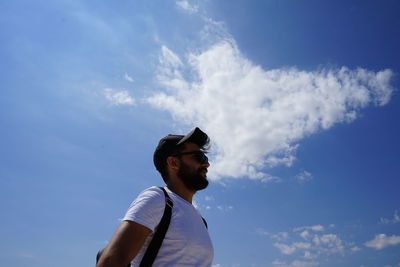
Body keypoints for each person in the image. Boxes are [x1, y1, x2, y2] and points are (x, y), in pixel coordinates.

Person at [96, 127, 214, 267]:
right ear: (173, 163)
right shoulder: (158, 198)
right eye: (198, 157)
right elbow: (110, 262)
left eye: (205, 157)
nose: (206, 164)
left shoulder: (201, 221)